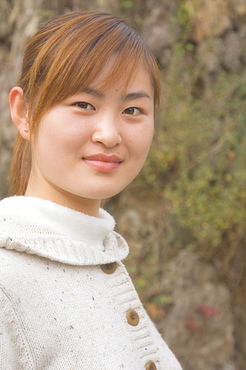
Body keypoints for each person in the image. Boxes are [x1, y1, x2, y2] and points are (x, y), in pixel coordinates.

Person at [0, 11, 182, 370]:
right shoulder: (8, 280)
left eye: (133, 109)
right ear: (24, 112)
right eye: (84, 104)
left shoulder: (100, 257)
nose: (110, 134)